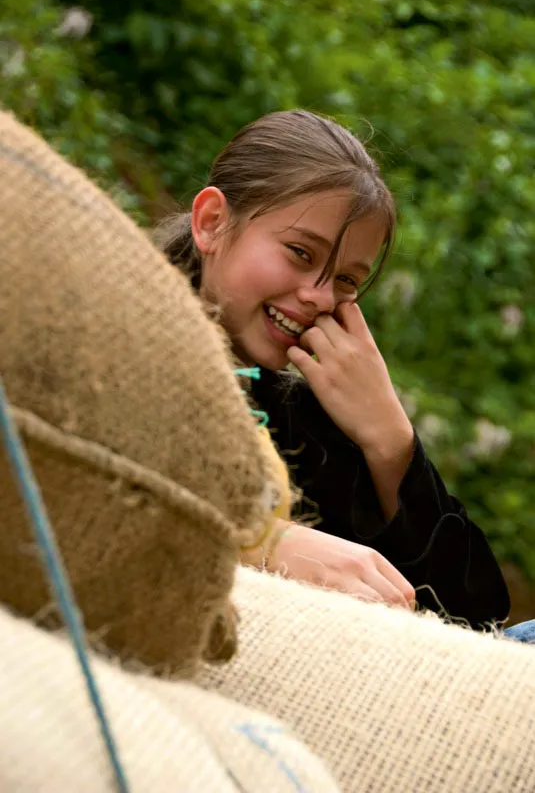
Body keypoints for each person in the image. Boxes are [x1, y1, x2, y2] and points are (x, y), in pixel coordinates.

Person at [159, 109, 510, 631]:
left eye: (346, 280)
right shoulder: (122, 346)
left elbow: (478, 618)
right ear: (212, 222)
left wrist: (390, 440)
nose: (318, 297)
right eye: (300, 253)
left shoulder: (295, 410)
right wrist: (262, 544)